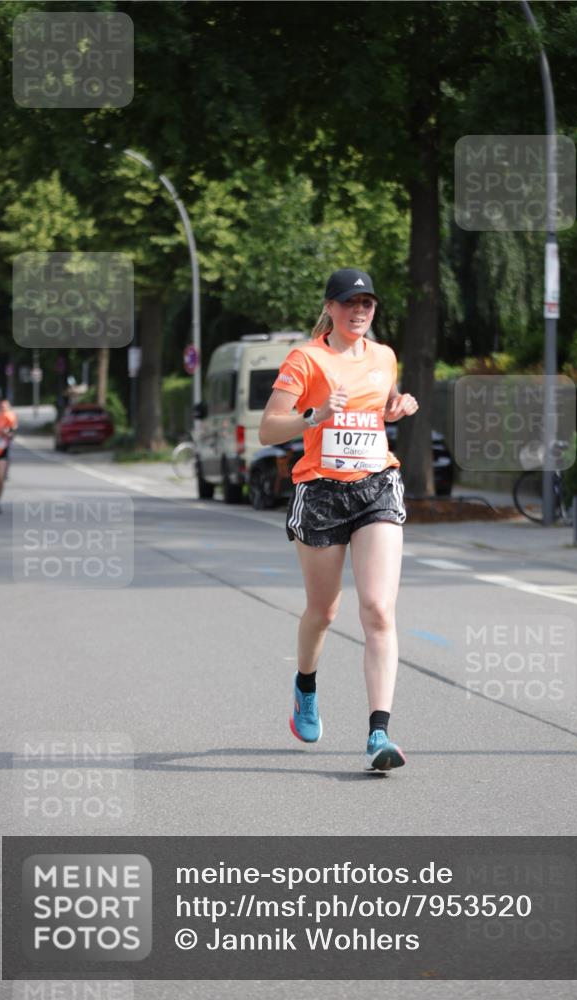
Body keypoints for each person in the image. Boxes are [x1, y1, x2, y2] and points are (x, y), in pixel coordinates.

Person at [259, 268, 418, 772]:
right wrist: (315, 414)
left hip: (376, 486)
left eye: (367, 303)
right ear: (329, 307)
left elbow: (376, 413)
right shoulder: (306, 359)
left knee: (377, 609)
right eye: (349, 302)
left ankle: (379, 732)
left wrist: (394, 410)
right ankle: (305, 684)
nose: (360, 311)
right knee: (324, 612)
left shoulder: (385, 357)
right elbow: (267, 429)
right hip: (321, 491)